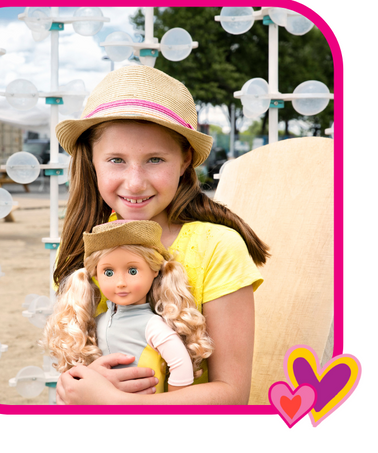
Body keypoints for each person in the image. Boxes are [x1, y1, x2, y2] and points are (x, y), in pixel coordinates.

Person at [52, 65, 270, 405]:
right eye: (116, 160)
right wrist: (77, 382)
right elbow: (77, 364)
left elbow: (232, 395)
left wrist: (120, 403)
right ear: (91, 161)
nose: (135, 182)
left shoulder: (217, 248)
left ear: (184, 161)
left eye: (154, 159)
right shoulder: (87, 249)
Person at [42, 220, 213, 394]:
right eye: (108, 272)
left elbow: (181, 363)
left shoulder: (152, 325)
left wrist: (170, 405)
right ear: (95, 275)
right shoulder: (99, 321)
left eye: (132, 271)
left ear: (155, 270)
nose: (121, 283)